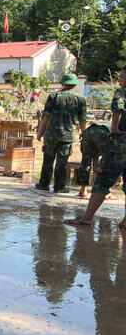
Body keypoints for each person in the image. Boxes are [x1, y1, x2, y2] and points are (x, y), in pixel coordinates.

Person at [66, 66, 126, 228]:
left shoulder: (122, 93)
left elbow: (118, 107)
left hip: (120, 143)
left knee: (103, 180)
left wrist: (114, 128)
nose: (120, 80)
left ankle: (87, 217)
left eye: (122, 77)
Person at [35, 73, 87, 193]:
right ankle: (59, 187)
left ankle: (44, 184)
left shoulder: (54, 97)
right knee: (62, 162)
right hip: (67, 136)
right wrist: (84, 135)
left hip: (51, 135)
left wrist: (39, 132)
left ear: (63, 84)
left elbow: (45, 117)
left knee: (48, 160)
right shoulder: (80, 100)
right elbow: (83, 120)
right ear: (74, 85)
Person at [76, 121, 111, 199]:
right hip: (103, 133)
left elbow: (96, 156)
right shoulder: (119, 125)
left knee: (85, 161)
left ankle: (83, 191)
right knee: (106, 161)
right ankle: (104, 192)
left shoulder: (111, 121)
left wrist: (95, 171)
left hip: (89, 132)